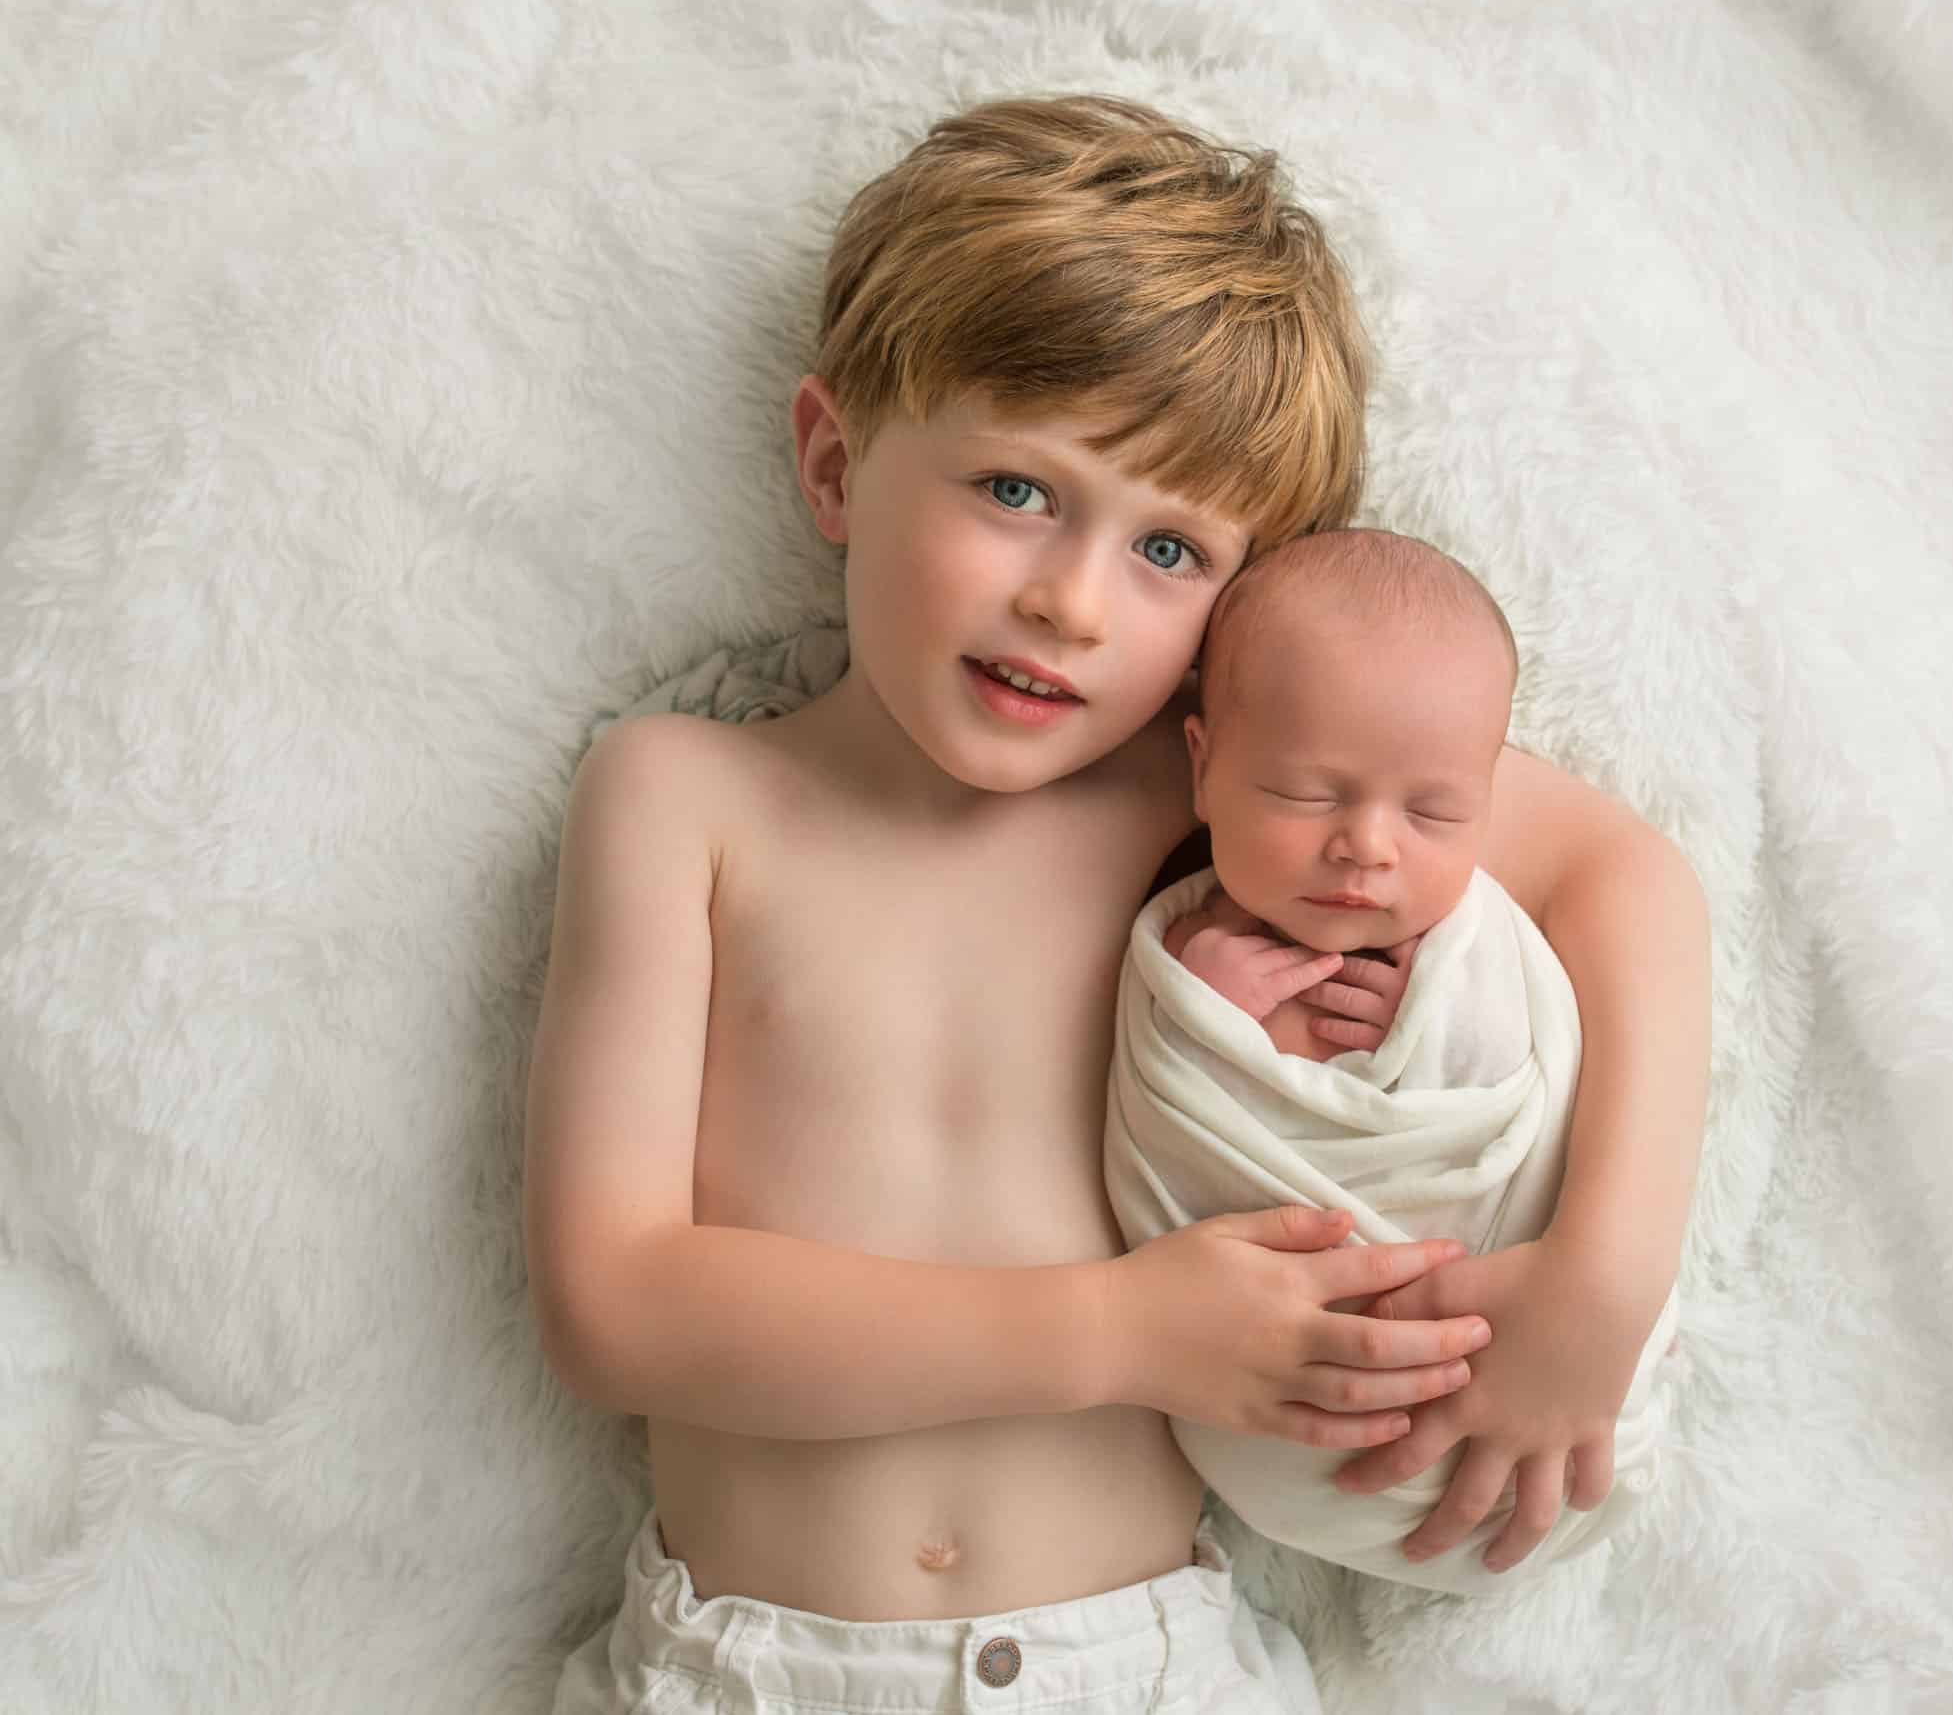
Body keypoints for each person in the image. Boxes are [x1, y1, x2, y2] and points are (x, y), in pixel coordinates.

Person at [524, 94, 1709, 1715]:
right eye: (1014, 491)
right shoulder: (689, 802)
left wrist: (1600, 1280)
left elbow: (1620, 877)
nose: (1069, 601)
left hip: (1139, 1663)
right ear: (832, 463)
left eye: (1167, 548)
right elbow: (616, 1303)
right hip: (743, 1667)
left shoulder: (1208, 791)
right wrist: (1119, 1335)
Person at [1105, 526, 1681, 1593]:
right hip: (1293, 1417)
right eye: (1308, 795)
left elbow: (1524, 1061)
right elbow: (1181, 1124)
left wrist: (1444, 1010)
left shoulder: (1474, 938)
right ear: (1204, 764)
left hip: (1560, 1369)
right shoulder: (1177, 950)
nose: (1369, 845)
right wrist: (1208, 1017)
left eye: (1434, 811)